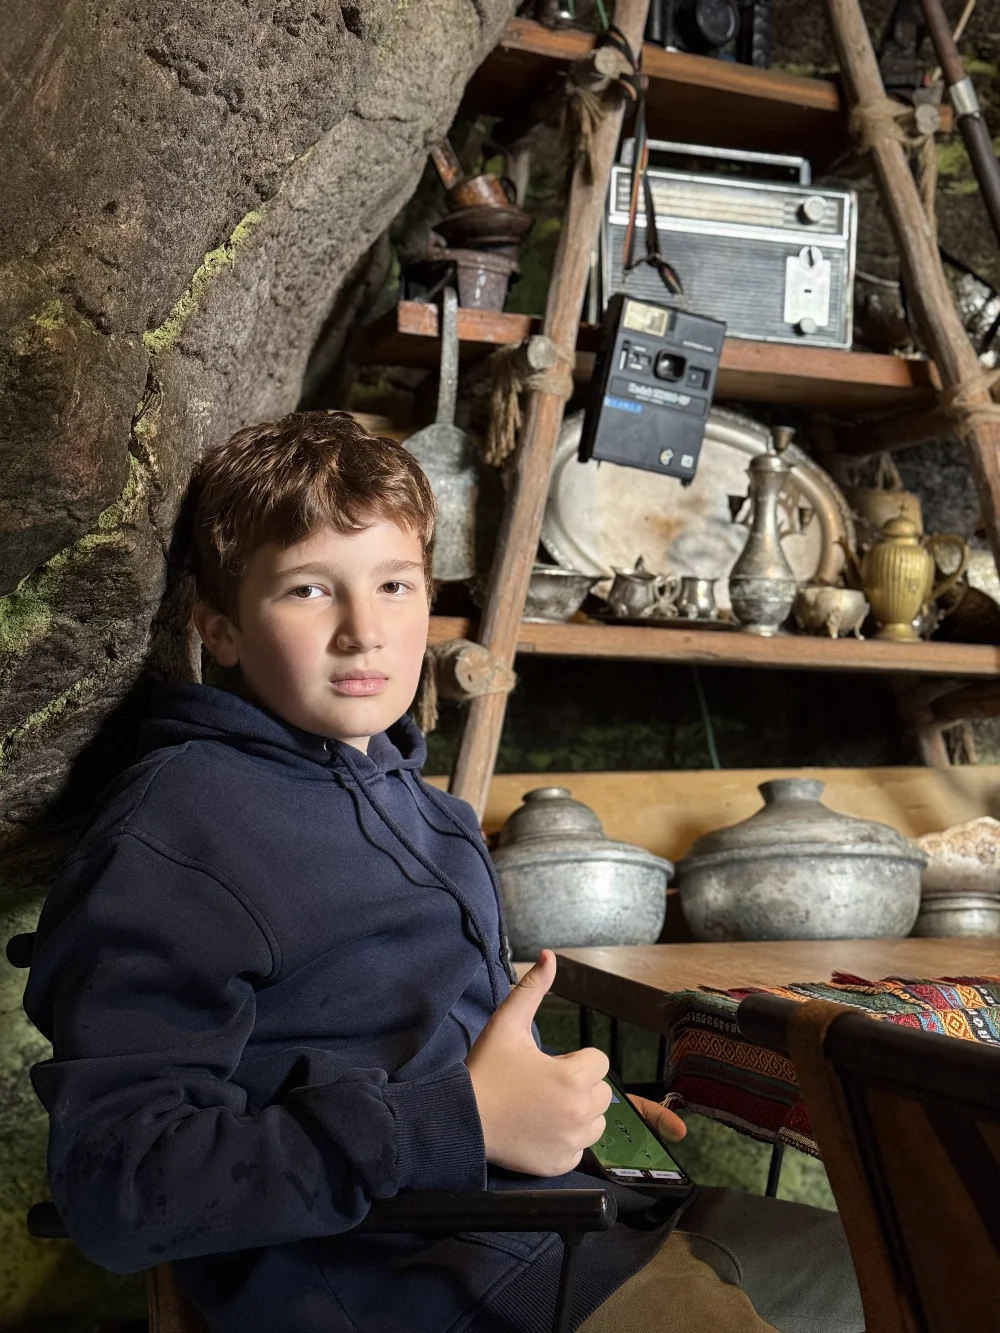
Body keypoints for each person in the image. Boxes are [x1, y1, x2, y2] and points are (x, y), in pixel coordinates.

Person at [23, 412, 863, 1333]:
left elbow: (427, 1054)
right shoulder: (179, 831)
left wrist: (565, 1107)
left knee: (918, 1257)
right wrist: (466, 1120)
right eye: (309, 589)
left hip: (584, 1214)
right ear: (218, 627)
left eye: (394, 584)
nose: (364, 632)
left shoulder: (432, 815)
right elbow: (118, 1186)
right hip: (436, 1283)